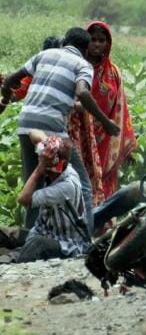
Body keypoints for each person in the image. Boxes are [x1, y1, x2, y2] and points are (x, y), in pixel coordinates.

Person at [0, 27, 121, 230]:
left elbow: (12, 79)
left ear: (65, 42)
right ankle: (86, 238)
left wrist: (4, 98)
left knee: (33, 182)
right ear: (85, 49)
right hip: (53, 129)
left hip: (25, 124)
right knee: (83, 186)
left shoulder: (44, 54)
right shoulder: (83, 65)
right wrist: (106, 122)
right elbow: (82, 93)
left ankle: (30, 238)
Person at [68, 21, 136, 208]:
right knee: (79, 180)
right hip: (80, 133)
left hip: (106, 138)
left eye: (102, 40)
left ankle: (104, 226)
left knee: (105, 182)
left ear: (108, 43)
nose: (97, 44)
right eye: (93, 40)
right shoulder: (77, 68)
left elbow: (121, 108)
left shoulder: (113, 73)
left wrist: (125, 144)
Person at [5, 130, 90, 263]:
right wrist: (48, 143)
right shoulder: (62, 168)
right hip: (41, 232)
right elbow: (32, 132)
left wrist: (40, 168)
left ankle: (14, 264)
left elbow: (23, 199)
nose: (39, 160)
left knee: (36, 244)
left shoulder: (66, 187)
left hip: (64, 243)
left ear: (51, 166)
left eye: (41, 160)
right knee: (5, 233)